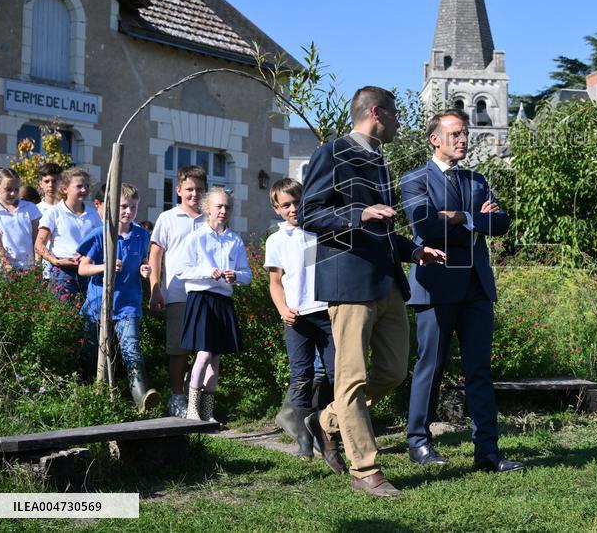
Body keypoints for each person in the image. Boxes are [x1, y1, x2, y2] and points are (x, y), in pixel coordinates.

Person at [301, 85, 445, 498]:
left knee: (394, 370)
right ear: (377, 112)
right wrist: (358, 212)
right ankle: (365, 469)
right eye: (397, 114)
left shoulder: (378, 160)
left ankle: (325, 421)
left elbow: (381, 230)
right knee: (352, 377)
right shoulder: (330, 153)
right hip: (347, 283)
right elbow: (310, 213)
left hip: (386, 282)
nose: (401, 122)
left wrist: (412, 250)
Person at [401, 108, 523, 472]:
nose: (463, 139)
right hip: (437, 285)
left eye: (465, 133)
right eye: (455, 134)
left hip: (476, 287)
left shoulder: (477, 179)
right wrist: (474, 221)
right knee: (431, 367)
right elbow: (426, 225)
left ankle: (487, 453)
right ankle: (418, 443)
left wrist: (462, 217)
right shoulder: (415, 180)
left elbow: (500, 222)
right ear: (435, 139)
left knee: (480, 370)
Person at [265, 178, 333, 459]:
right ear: (277, 209)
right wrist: (283, 309)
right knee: (302, 375)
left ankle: (326, 428)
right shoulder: (277, 240)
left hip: (327, 312)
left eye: (297, 201)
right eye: (286, 205)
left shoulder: (320, 231)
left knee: (334, 373)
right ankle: (303, 439)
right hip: (297, 317)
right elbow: (275, 282)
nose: (293, 209)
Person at [76, 183, 159, 411]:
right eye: (123, 206)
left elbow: (143, 260)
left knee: (131, 349)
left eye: (133, 206)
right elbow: (83, 269)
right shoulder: (100, 234)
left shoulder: (142, 235)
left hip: (128, 304)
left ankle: (142, 398)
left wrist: (144, 269)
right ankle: (88, 397)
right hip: (98, 305)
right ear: (111, 207)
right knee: (93, 353)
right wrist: (106, 266)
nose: (128, 211)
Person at [177, 187, 249, 422]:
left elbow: (247, 275)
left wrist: (235, 276)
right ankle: (192, 410)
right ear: (207, 208)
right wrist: (209, 272)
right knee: (204, 354)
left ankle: (208, 412)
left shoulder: (234, 240)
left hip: (223, 301)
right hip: (202, 298)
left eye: (227, 206)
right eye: (219, 206)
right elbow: (182, 271)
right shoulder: (196, 237)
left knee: (215, 358)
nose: (223, 210)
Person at [148, 165, 207, 417]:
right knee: (178, 350)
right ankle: (177, 397)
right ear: (179, 190)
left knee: (206, 351)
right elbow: (155, 256)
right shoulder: (168, 218)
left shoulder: (211, 217)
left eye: (200, 190)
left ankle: (200, 400)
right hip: (177, 293)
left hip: (207, 293)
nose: (195, 194)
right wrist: (155, 289)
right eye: (190, 189)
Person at [36, 167, 100, 298]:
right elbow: (39, 244)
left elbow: (100, 242)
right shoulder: (54, 212)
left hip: (88, 270)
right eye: (79, 186)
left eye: (87, 186)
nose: (84, 190)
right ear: (65, 189)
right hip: (62, 272)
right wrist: (56, 261)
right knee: (62, 315)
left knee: (88, 315)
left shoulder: (93, 214)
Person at [0, 167, 40, 272]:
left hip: (30, 268)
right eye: (8, 189)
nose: (13, 193)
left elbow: (37, 239)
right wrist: (7, 266)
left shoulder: (30, 208)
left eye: (16, 189)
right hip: (5, 270)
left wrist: (37, 265)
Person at [36, 163, 63, 279]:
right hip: (42, 268)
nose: (51, 185)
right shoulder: (35, 210)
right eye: (47, 181)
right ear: (40, 184)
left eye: (55, 181)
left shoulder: (66, 209)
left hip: (62, 267)